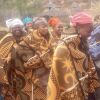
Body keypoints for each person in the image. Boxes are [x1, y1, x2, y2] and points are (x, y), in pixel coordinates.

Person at [47, 12, 100, 100]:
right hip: (72, 93)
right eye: (89, 28)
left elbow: (90, 67)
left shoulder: (82, 42)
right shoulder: (62, 48)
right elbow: (58, 77)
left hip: (87, 89)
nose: (91, 31)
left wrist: (95, 86)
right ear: (78, 27)